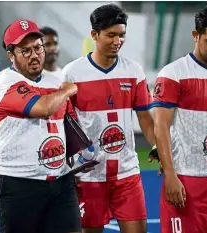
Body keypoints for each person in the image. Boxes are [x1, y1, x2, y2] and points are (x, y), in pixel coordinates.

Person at [63, 4, 156, 233]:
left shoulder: (134, 71)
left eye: (122, 35)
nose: (118, 41)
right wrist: (68, 166)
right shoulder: (72, 73)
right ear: (95, 35)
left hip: (127, 173)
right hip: (89, 175)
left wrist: (157, 145)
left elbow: (144, 116)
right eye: (111, 35)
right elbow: (65, 123)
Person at [152, 4, 207, 233]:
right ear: (196, 35)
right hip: (188, 177)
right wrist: (171, 175)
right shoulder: (173, 74)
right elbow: (161, 126)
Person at [0, 19, 82, 233]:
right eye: (25, 50)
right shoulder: (5, 83)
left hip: (60, 180)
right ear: (11, 55)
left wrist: (77, 159)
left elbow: (67, 123)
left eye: (38, 47)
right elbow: (43, 108)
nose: (35, 54)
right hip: (17, 183)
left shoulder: (54, 81)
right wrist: (67, 90)